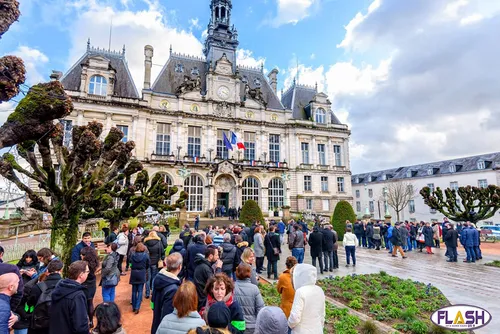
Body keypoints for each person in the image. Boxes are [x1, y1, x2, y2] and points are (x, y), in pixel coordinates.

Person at [49, 261, 89, 334]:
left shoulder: (59, 287)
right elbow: (80, 325)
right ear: (81, 275)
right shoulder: (77, 295)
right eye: (87, 272)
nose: (88, 274)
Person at [27, 260, 63, 334]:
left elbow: (30, 304)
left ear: (47, 270)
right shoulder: (65, 286)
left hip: (39, 324)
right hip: (59, 323)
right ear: (61, 270)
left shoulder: (38, 287)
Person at [151, 252, 183, 334]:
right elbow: (167, 314)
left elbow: (153, 303)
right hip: (164, 328)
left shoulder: (159, 279)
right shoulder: (173, 289)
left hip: (156, 323)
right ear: (180, 267)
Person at [288, 264, 325, 334]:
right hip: (318, 330)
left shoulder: (300, 292)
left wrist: (289, 325)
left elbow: (295, 317)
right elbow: (322, 314)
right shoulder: (320, 290)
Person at [234, 264, 265, 334]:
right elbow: (261, 308)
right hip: (251, 325)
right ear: (249, 273)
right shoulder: (254, 288)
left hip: (236, 324)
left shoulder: (232, 287)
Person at [193, 246, 223, 310]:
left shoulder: (203, 265)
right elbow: (215, 282)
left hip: (200, 297)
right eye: (217, 255)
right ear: (211, 256)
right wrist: (218, 268)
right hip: (203, 300)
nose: (218, 257)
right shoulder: (205, 268)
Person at [129, 242, 149, 314]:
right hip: (141, 273)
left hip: (134, 274)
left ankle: (134, 307)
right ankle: (137, 307)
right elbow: (148, 264)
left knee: (134, 291)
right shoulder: (145, 255)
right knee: (140, 291)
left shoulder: (133, 255)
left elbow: (130, 262)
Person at [80, 247, 99, 326]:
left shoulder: (84, 264)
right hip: (92, 284)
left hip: (85, 285)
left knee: (83, 304)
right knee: (90, 303)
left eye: (82, 254)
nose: (81, 256)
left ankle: (85, 321)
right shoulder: (95, 262)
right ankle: (91, 321)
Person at [144, 231, 165, 297]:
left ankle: (147, 293)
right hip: (155, 262)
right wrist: (161, 258)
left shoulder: (145, 243)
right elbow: (162, 252)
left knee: (147, 278)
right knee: (154, 277)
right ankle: (153, 291)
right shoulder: (159, 242)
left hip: (147, 262)